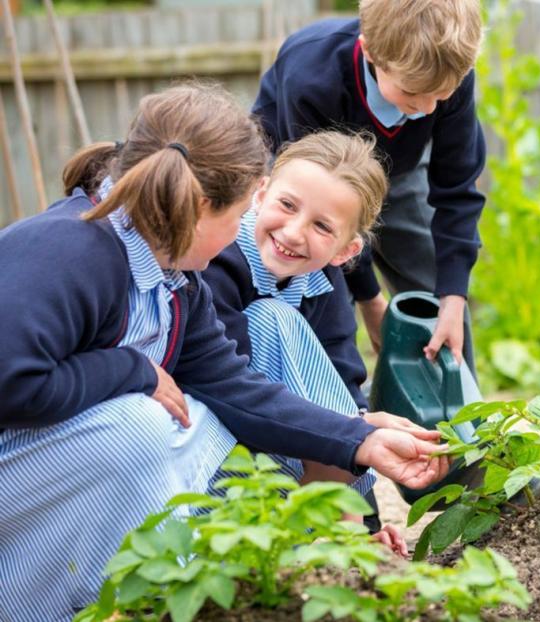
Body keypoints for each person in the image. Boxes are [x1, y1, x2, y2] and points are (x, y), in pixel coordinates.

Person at [0, 83, 448, 622]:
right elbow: (11, 381)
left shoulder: (174, 281)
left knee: (210, 426)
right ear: (197, 209)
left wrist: (362, 440)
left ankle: (208, 585)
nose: (240, 233)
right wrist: (130, 368)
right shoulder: (68, 248)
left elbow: (237, 389)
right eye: (237, 217)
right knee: (145, 427)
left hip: (55, 475)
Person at [252, 0, 485, 370]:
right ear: (373, 53)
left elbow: (457, 189)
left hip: (398, 170)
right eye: (411, 94)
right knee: (324, 286)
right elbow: (327, 207)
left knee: (436, 289)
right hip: (307, 181)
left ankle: (459, 416)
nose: (426, 109)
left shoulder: (448, 74)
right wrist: (370, 299)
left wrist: (454, 297)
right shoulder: (312, 75)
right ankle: (341, 407)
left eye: (439, 97)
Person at [204, 130, 403, 548]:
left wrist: (368, 522)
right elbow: (227, 388)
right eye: (287, 205)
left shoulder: (322, 279)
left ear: (345, 252)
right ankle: (335, 527)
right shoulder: (217, 258)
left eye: (321, 226)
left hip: (287, 446)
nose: (294, 233)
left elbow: (341, 382)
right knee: (272, 319)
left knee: (349, 409)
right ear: (260, 193)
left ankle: (344, 526)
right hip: (223, 441)